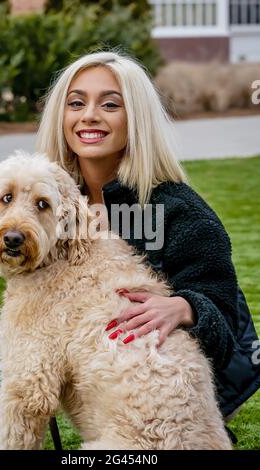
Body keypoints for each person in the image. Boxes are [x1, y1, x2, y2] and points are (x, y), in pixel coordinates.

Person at [36, 51, 260, 424]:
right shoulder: (52, 205)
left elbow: (227, 325)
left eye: (110, 104)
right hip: (104, 398)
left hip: (179, 405)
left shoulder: (180, 212)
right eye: (76, 103)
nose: (89, 115)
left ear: (136, 117)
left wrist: (185, 307)